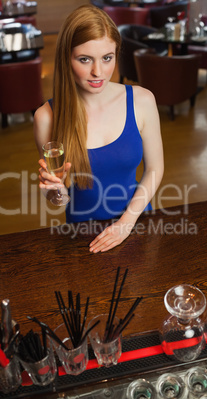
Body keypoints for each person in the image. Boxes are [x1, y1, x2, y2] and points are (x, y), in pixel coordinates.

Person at [34, 4, 164, 253]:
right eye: (85, 59)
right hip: (84, 234)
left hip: (136, 221)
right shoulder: (46, 117)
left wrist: (125, 224)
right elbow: (59, 203)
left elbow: (156, 168)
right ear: (67, 58)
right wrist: (55, 191)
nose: (98, 72)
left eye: (107, 58)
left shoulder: (142, 100)